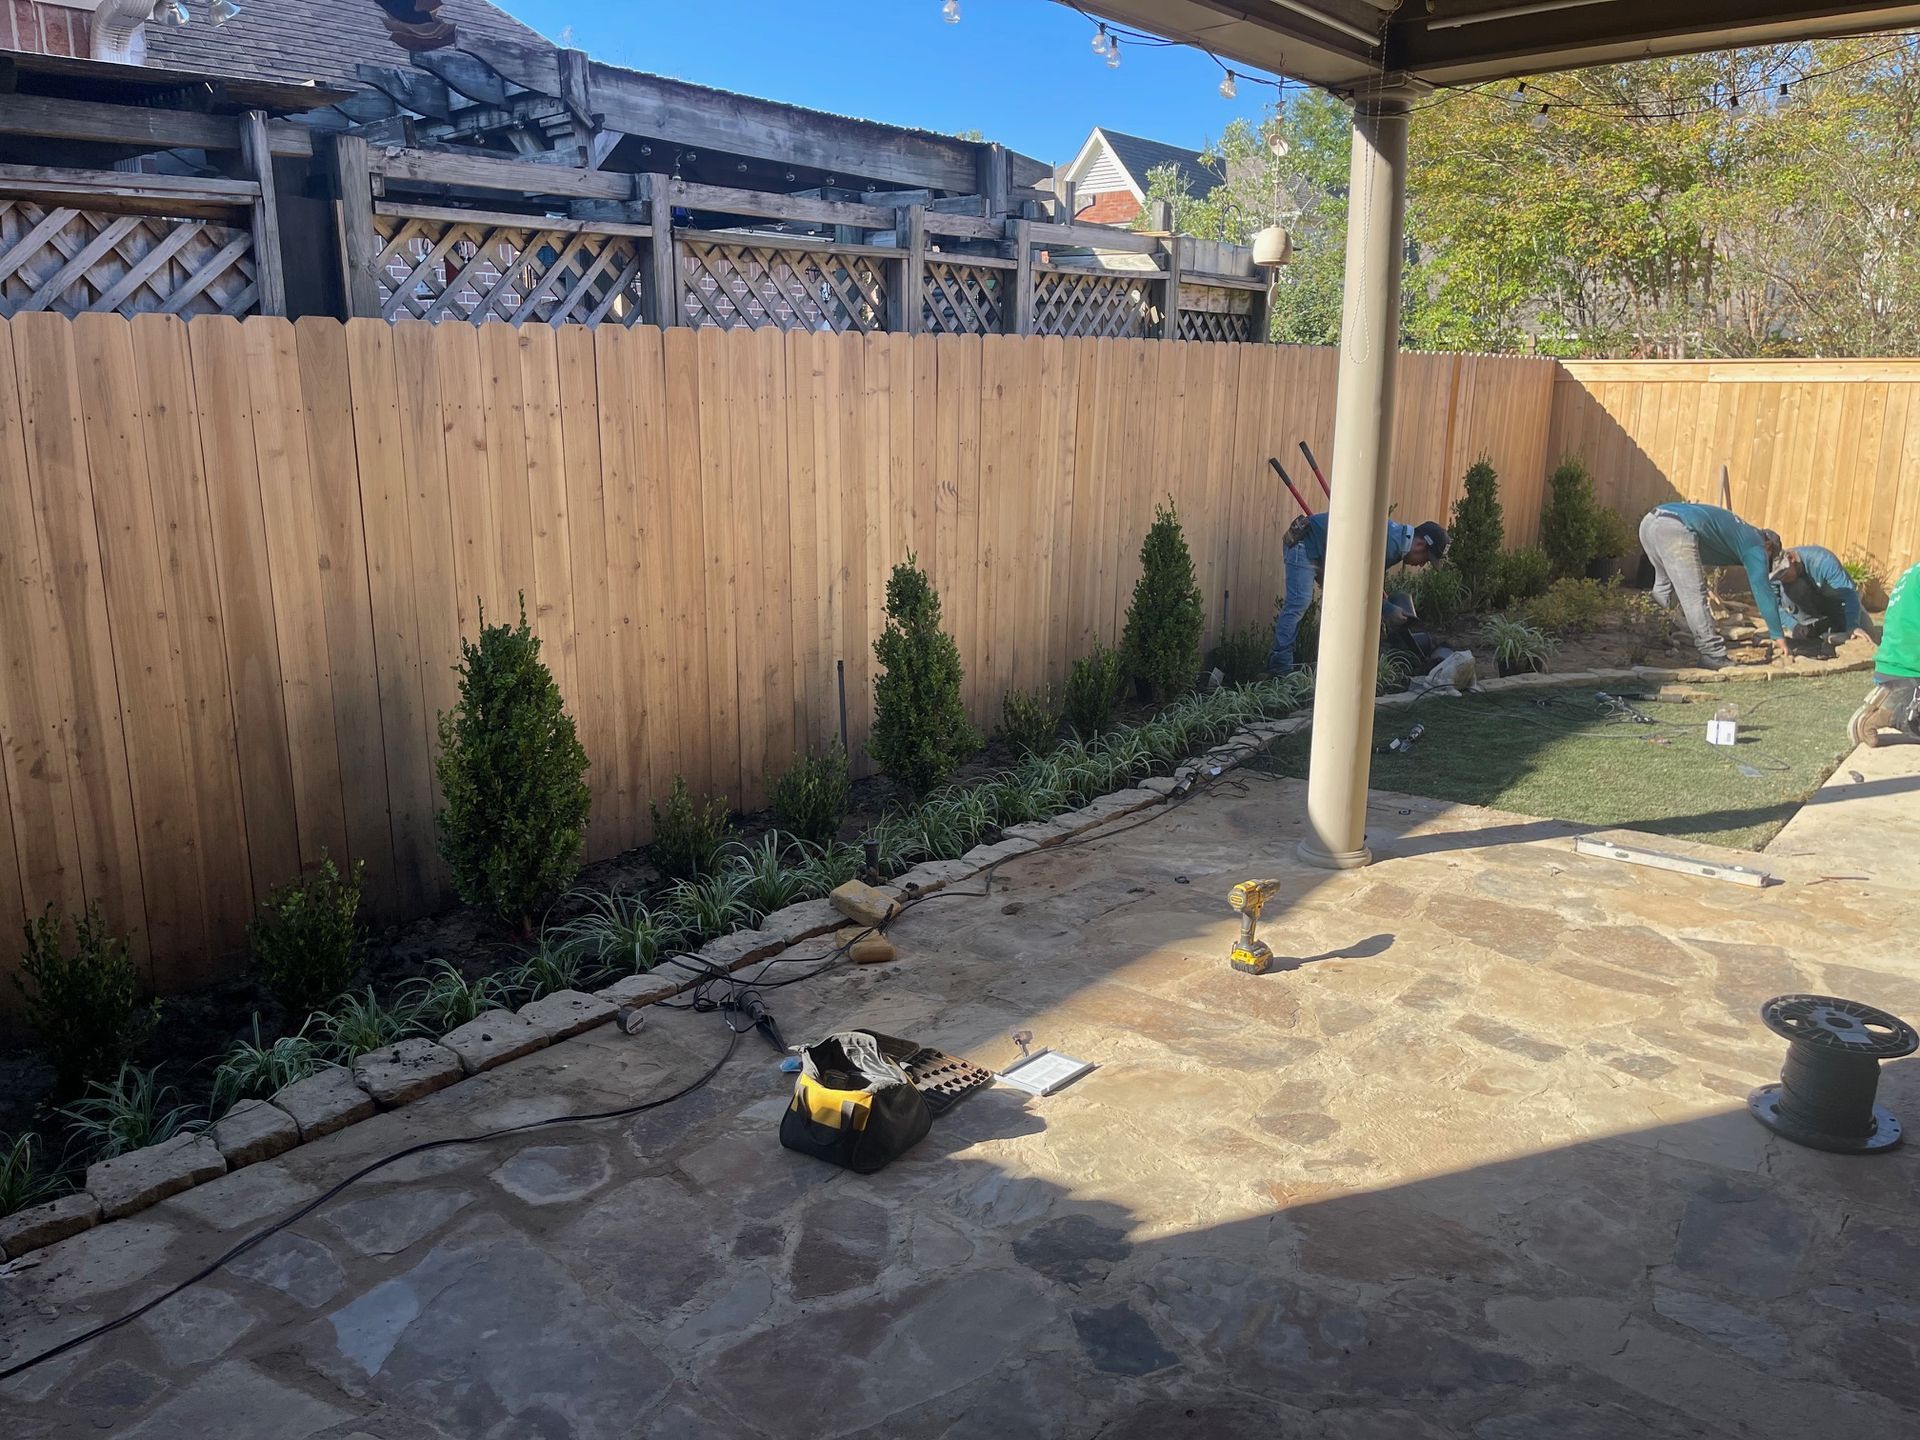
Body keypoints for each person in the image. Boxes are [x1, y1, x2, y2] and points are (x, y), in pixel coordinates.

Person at [1269, 514, 1449, 673]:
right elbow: (1356, 580)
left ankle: (1337, 662)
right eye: (1426, 559)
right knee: (1299, 603)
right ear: (1420, 544)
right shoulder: (1391, 544)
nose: (1421, 565)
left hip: (1328, 551)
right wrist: (1386, 608)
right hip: (1307, 543)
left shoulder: (1396, 541)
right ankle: (1280, 667)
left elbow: (1364, 579)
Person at [1637, 502, 1785, 668]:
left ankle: (1654, 635)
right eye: (1768, 558)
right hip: (1675, 527)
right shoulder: (1756, 544)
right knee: (1694, 596)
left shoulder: (1740, 532)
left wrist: (1703, 584)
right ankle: (1713, 654)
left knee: (1664, 585)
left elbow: (1689, 561)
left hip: (1650, 522)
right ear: (1769, 546)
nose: (1765, 562)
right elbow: (1762, 589)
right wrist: (1777, 634)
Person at [1849, 560, 1920, 748]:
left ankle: (1895, 697)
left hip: (1895, 666)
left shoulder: (1913, 571)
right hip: (1909, 671)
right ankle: (1889, 711)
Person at [1771, 544, 1872, 651]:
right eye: (1777, 576)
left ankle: (1836, 624)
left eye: (1783, 573)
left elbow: (1849, 594)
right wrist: (1793, 625)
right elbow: (1773, 606)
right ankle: (1809, 627)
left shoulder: (1823, 561)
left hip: (1838, 605)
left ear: (1791, 559)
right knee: (1795, 587)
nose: (1780, 578)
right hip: (1809, 611)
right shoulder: (1772, 573)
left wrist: (1853, 625)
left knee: (1868, 635)